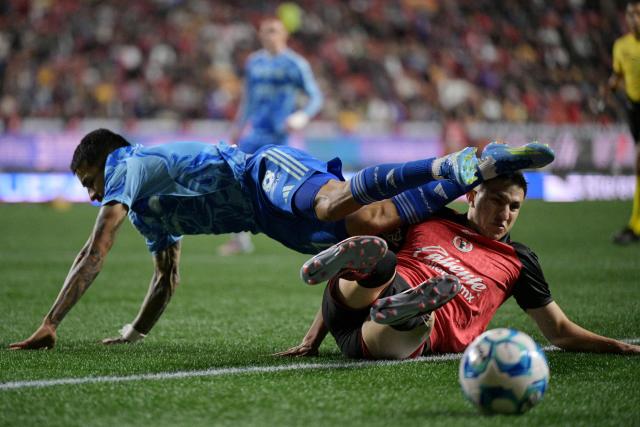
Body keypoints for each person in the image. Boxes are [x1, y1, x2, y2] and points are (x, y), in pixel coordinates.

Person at [8, 129, 552, 351]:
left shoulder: (125, 164)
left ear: (105, 164)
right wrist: (135, 332)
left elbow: (94, 249)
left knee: (330, 201)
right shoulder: (149, 215)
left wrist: (51, 322)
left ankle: (453, 165)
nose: (89, 195)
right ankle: (470, 177)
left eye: (89, 183)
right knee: (377, 223)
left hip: (260, 171)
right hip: (269, 221)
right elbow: (166, 278)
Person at [281, 173, 640, 359]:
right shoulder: (429, 217)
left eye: (514, 207)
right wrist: (314, 337)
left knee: (411, 312)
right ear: (471, 195)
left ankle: (405, 309)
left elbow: (559, 329)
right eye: (496, 201)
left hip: (389, 337)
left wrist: (616, 346)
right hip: (356, 304)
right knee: (381, 261)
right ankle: (396, 298)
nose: (504, 214)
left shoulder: (520, 261)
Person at [220, 17, 324, 255]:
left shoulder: (295, 64)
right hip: (255, 133)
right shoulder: (254, 62)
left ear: (285, 35)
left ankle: (313, 235)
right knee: (236, 179)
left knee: (286, 188)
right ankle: (240, 239)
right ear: (260, 36)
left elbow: (316, 96)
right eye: (266, 32)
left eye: (275, 31)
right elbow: (248, 98)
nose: (270, 36)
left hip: (281, 136)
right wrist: (238, 126)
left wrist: (302, 116)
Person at [603, 1, 640, 245]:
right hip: (634, 109)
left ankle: (634, 227)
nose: (635, 19)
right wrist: (611, 85)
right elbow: (619, 74)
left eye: (639, 15)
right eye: (632, 15)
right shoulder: (621, 45)